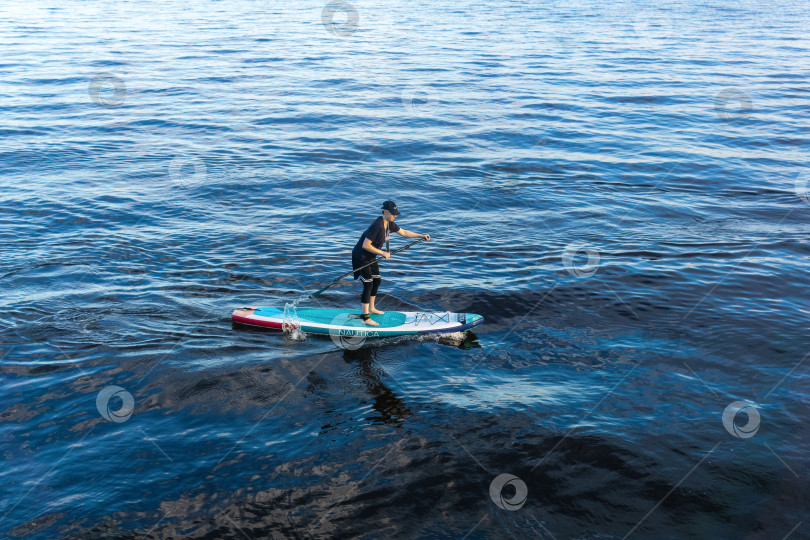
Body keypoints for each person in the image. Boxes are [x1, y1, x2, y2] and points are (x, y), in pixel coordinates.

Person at [351, 200, 430, 326]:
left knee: (377, 281)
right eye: (393, 213)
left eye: (396, 213)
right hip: (361, 256)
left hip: (371, 255)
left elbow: (404, 232)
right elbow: (366, 245)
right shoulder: (377, 226)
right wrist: (382, 253)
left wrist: (421, 236)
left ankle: (371, 308)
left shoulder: (389, 223)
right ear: (385, 212)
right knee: (368, 284)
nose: (395, 216)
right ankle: (365, 318)